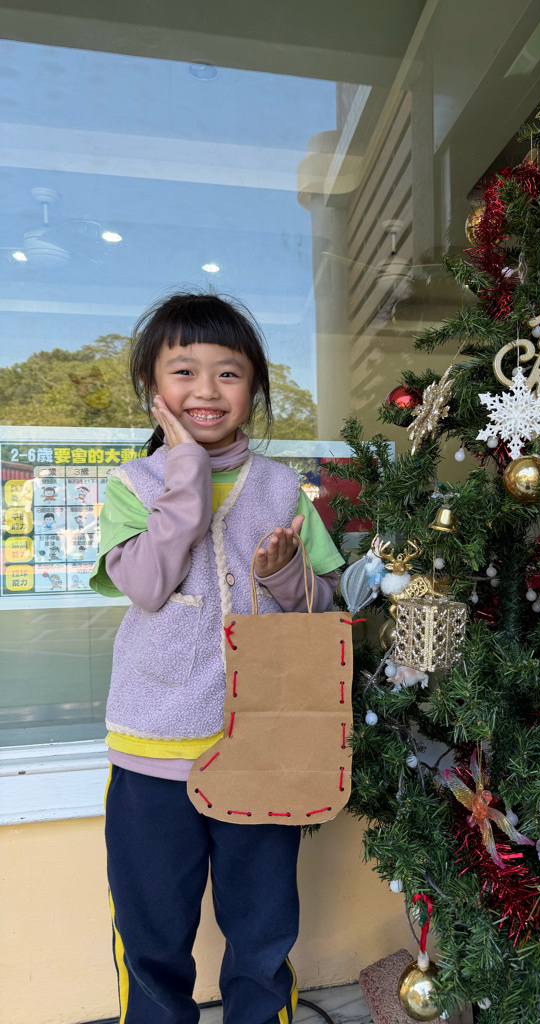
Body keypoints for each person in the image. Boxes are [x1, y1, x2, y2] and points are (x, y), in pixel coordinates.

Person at [89, 292, 345, 1024]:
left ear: (255, 386)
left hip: (261, 747)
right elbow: (146, 586)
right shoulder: (131, 487)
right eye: (183, 371)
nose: (206, 390)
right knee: (151, 939)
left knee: (261, 935)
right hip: (152, 752)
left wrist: (285, 574)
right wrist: (185, 476)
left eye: (228, 372)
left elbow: (323, 607)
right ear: (152, 387)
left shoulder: (283, 489)